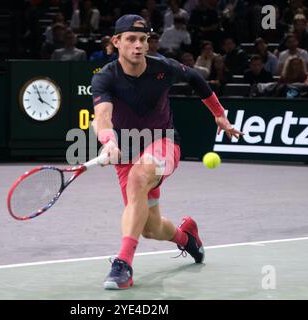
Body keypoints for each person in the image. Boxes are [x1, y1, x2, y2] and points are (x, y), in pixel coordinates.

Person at [91, 14, 243, 289]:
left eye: (143, 40)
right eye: (131, 39)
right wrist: (108, 142)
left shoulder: (163, 68)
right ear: (117, 42)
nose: (138, 45)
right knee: (151, 228)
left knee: (140, 177)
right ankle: (188, 238)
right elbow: (102, 116)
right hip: (125, 153)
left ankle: (123, 264)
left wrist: (219, 114)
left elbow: (196, 78)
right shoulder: (105, 78)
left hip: (164, 143)